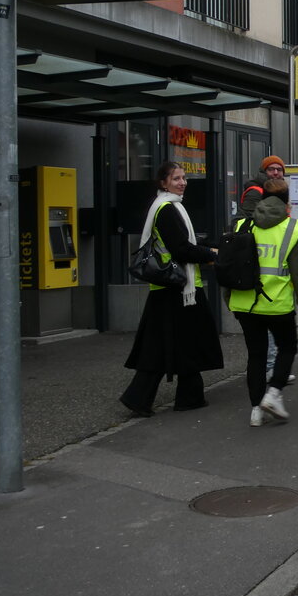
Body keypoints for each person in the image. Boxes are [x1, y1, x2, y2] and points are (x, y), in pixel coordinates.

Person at [120, 162, 223, 417]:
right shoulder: (166, 210)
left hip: (172, 287)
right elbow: (181, 249)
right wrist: (211, 253)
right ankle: (178, 397)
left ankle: (161, 397)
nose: (182, 182)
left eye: (184, 177)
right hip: (177, 287)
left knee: (170, 343)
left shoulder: (170, 207)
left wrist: (206, 249)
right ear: (163, 183)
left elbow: (184, 244)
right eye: (176, 178)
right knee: (181, 342)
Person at [226, 178, 298, 427]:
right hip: (277, 305)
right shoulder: (292, 228)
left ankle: (255, 410)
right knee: (287, 347)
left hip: (245, 304)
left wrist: (228, 297)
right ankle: (273, 393)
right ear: (287, 201)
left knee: (256, 355)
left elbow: (230, 265)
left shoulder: (241, 224)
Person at [240, 154, 294, 384]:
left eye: (279, 170)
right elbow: (252, 221)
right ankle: (270, 369)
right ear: (264, 172)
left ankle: (268, 370)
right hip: (259, 265)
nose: (276, 173)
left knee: (266, 330)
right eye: (271, 169)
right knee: (267, 329)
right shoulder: (256, 191)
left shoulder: (272, 191)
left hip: (269, 270)